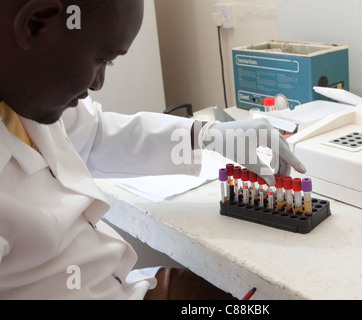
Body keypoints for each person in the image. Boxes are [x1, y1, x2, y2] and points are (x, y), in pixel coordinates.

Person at [0, 0, 306, 299]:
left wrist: (207, 134)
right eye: (101, 59)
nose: (98, 83)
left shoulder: (24, 98)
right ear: (36, 22)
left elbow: (95, 135)